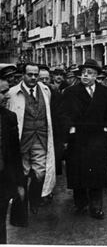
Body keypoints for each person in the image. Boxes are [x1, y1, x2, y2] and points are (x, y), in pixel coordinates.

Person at [60, 59, 107, 220]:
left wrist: (106, 127)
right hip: (77, 137)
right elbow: (63, 113)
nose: (85, 75)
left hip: (97, 138)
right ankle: (80, 203)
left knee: (96, 174)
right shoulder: (71, 92)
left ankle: (96, 206)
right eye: (84, 72)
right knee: (78, 172)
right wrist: (70, 127)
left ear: (97, 76)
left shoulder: (105, 92)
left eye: (90, 73)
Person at [7, 63, 56, 215]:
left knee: (40, 171)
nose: (34, 77)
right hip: (22, 139)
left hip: (40, 138)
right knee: (22, 171)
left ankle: (34, 198)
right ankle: (23, 202)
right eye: (30, 74)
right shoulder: (12, 93)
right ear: (23, 75)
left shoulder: (46, 90)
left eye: (36, 74)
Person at [0, 75, 25, 244]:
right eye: (1, 92)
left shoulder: (9, 117)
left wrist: (19, 184)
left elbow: (16, 153)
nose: (6, 96)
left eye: (6, 91)